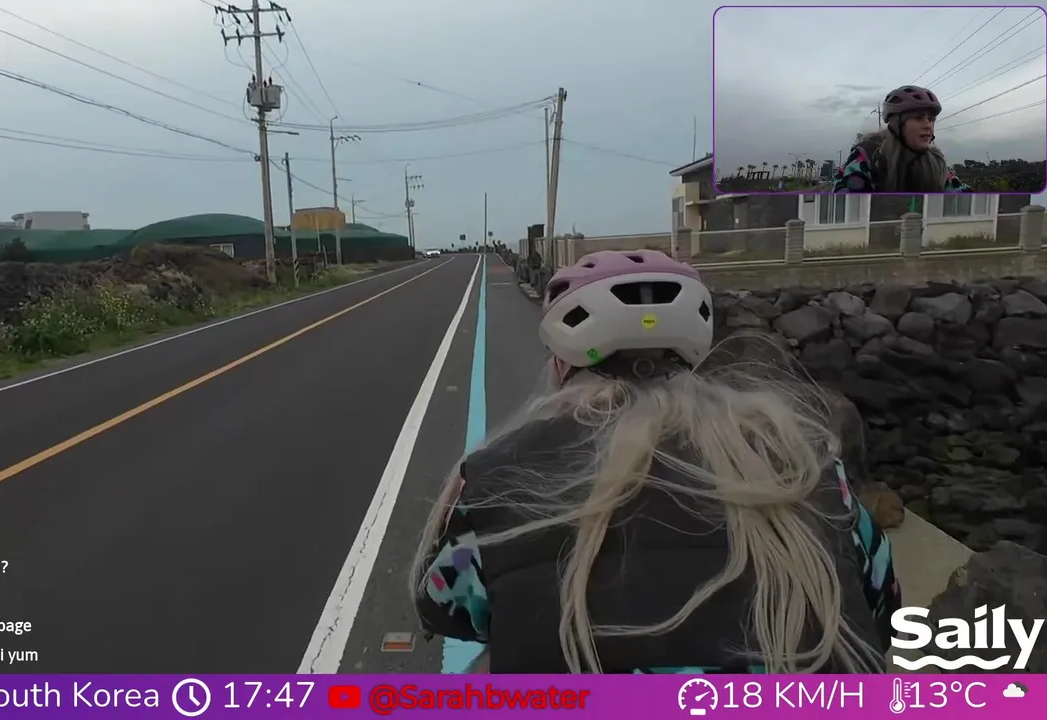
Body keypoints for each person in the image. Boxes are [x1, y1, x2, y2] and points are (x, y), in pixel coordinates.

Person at [410, 250, 902, 674]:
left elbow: (443, 607)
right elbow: (882, 605)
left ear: (560, 363)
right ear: (693, 355)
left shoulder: (497, 475)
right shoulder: (808, 461)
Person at [834, 85, 971, 193]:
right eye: (918, 118)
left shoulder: (935, 162)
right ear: (896, 124)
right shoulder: (868, 155)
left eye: (930, 119)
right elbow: (848, 204)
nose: (928, 125)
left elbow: (961, 195)